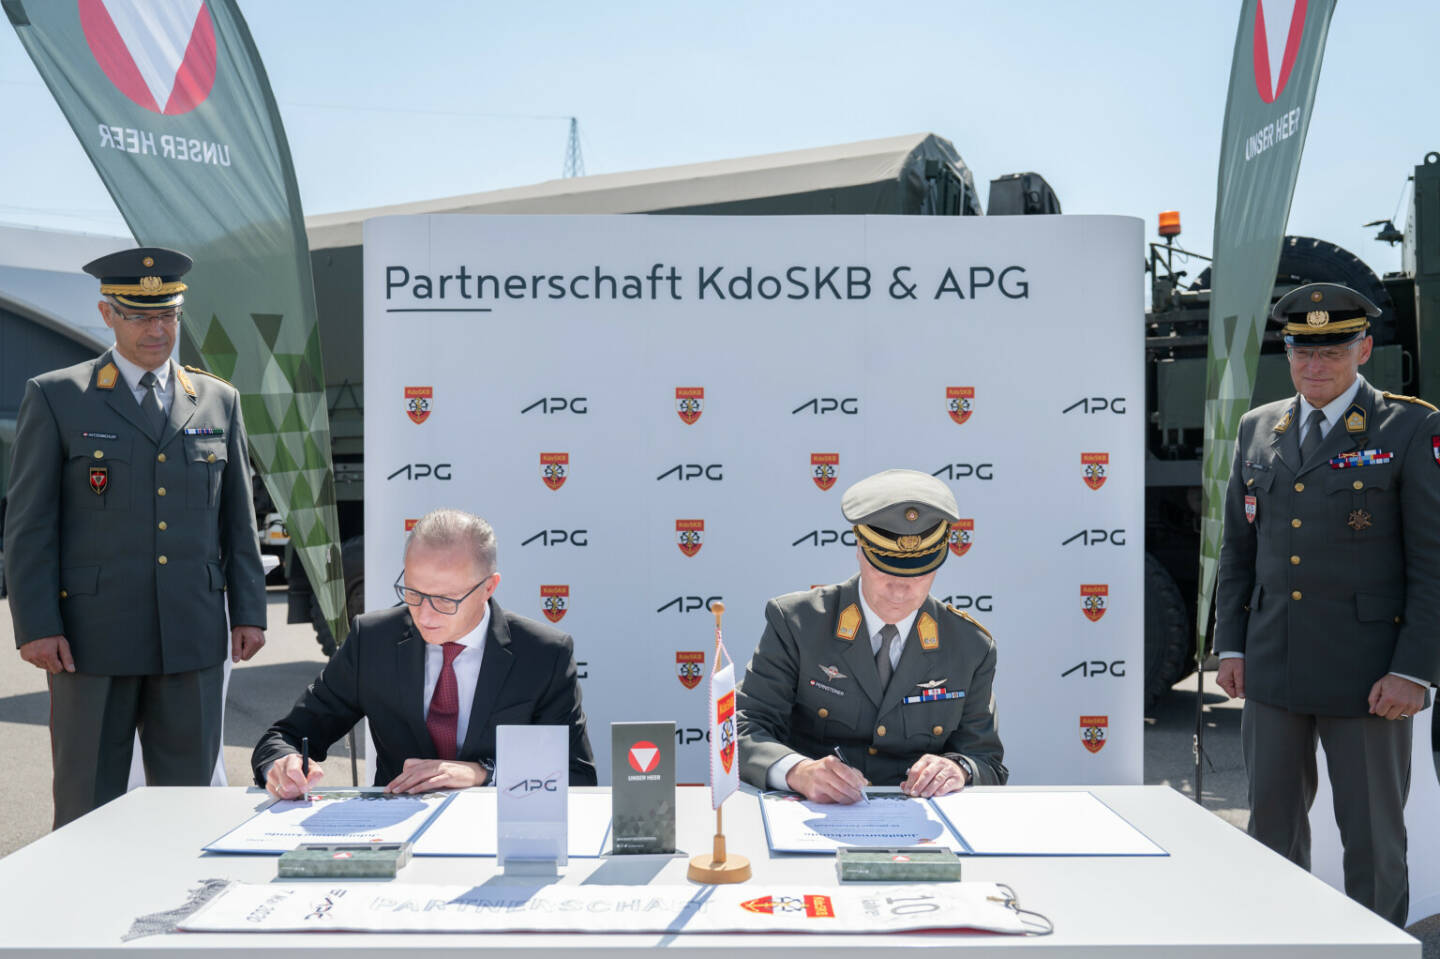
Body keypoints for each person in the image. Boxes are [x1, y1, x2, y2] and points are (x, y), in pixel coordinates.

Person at [4, 247, 267, 828]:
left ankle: (177, 913)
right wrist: (38, 625)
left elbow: (237, 520)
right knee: (87, 802)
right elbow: (29, 526)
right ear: (107, 313)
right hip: (92, 640)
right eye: (140, 315)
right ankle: (84, 915)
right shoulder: (58, 396)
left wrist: (250, 610)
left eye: (168, 315)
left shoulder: (217, 400)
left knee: (188, 806)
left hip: (191, 635)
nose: (158, 329)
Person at [1215, 282, 1440, 926]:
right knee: (1271, 836)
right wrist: (1232, 645)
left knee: (1372, 839)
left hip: (1370, 676)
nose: (1315, 365)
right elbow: (1239, 549)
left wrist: (1415, 670)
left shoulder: (1411, 426)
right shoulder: (1260, 427)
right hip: (1273, 667)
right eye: (1301, 351)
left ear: (1363, 349)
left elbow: (1432, 562)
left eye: (1332, 351)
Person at [254, 508, 596, 795]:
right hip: (392, 841)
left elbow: (576, 776)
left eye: (446, 599)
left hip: (498, 840)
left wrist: (483, 774)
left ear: (488, 587)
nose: (425, 614)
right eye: (413, 592)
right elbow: (284, 736)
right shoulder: (373, 640)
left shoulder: (543, 655)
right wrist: (282, 764)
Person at [736, 468, 1006, 804]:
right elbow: (743, 728)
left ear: (939, 563)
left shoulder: (970, 647)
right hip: (814, 817)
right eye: (886, 568)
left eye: (919, 573)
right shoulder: (797, 623)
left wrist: (958, 768)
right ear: (861, 550)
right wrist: (798, 771)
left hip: (920, 829)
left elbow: (987, 762)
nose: (899, 590)